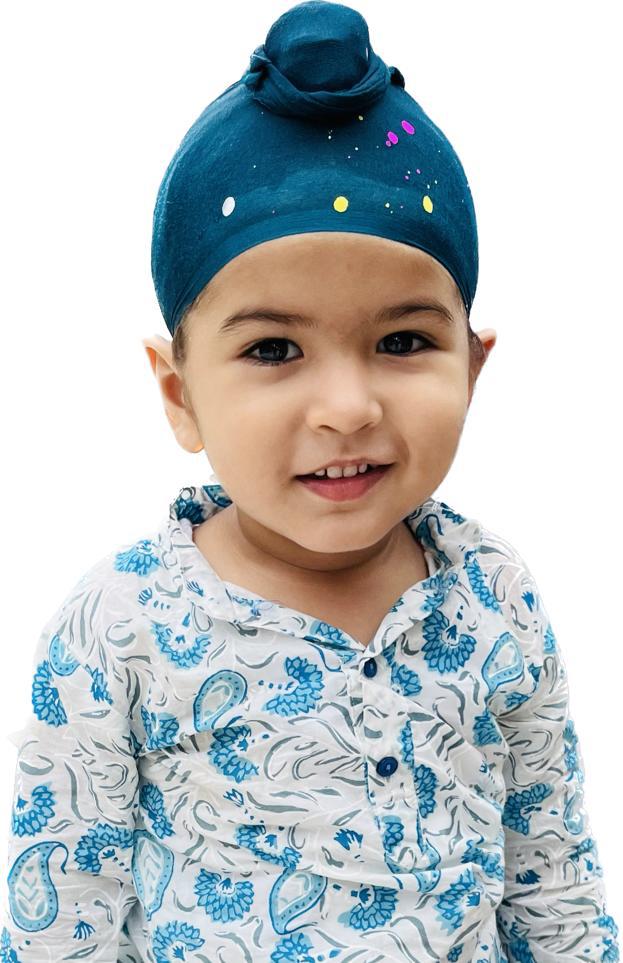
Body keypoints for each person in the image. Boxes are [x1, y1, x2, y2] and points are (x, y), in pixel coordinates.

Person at [1, 2, 619, 961]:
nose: (346, 407)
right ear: (179, 393)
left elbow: (552, 879)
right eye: (273, 349)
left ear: (472, 367)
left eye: (402, 341)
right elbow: (60, 915)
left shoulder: (494, 595)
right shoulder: (119, 627)